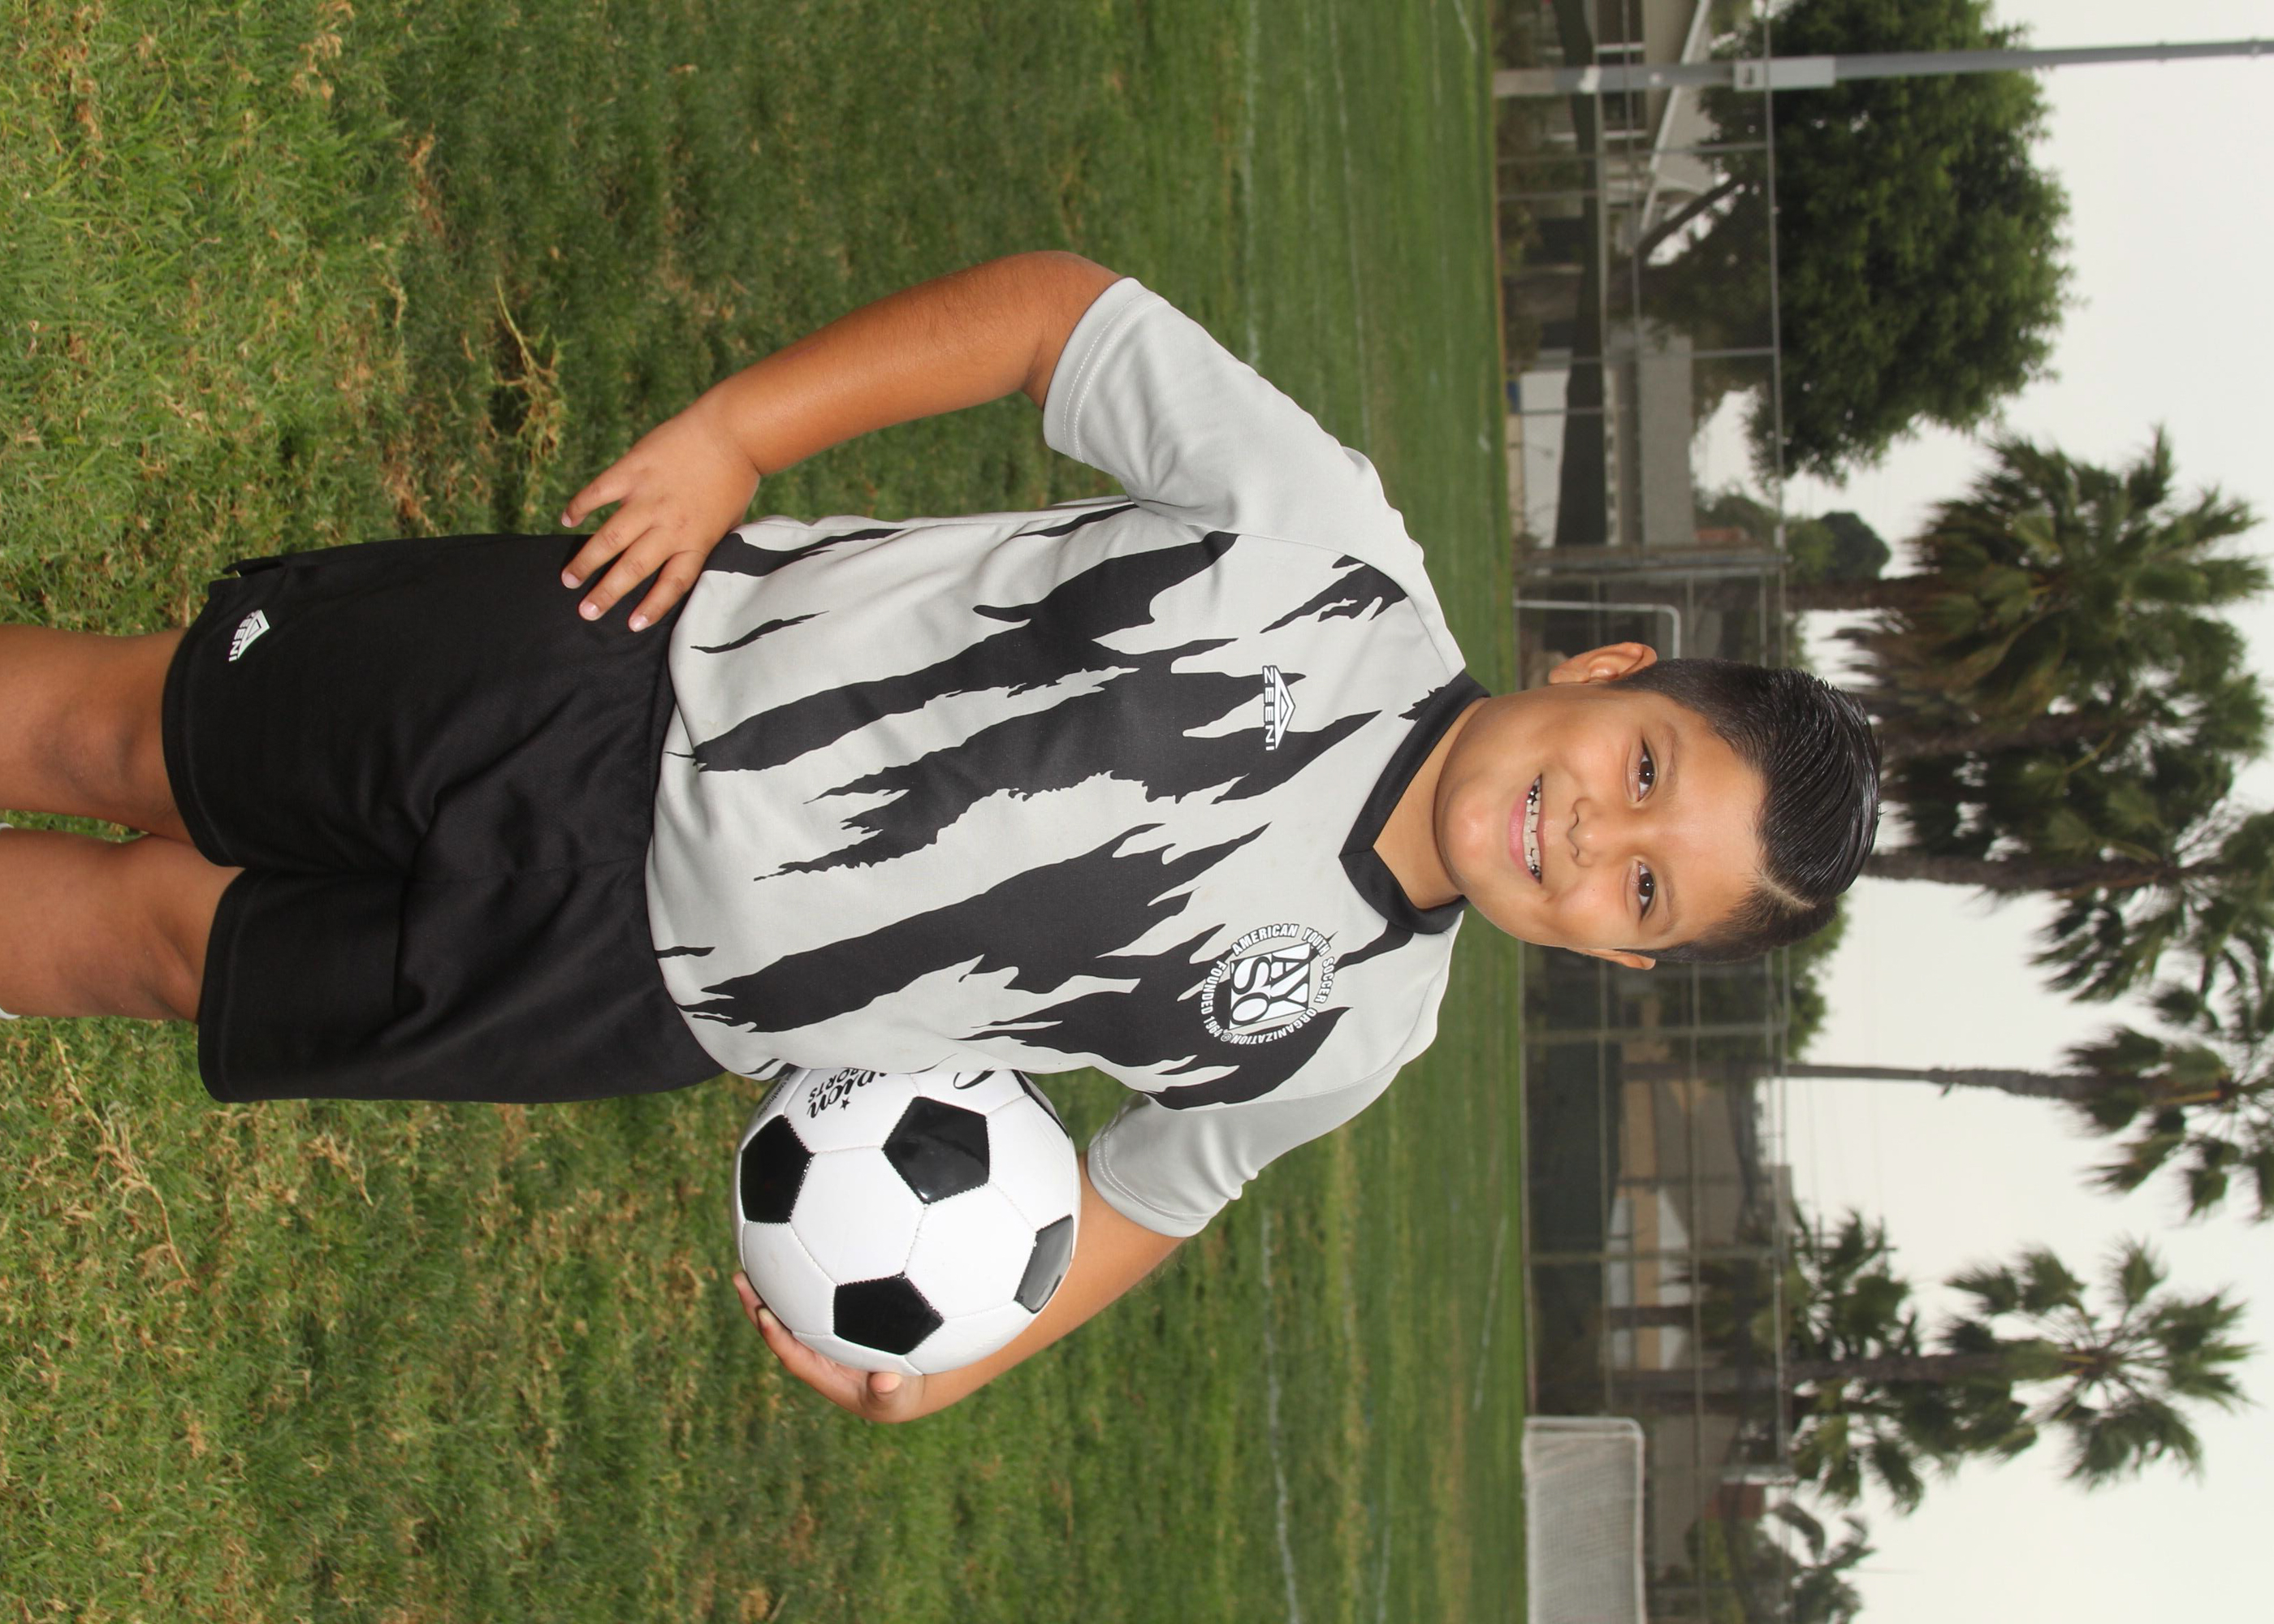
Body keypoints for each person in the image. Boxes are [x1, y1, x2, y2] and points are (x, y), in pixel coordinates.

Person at [0, 251, 1878, 1423]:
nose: (1589, 831)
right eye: (1642, 765)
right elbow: (1058, 321)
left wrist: (966, 1349)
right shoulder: (1323, 546)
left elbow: (1158, 1185)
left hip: (630, 993)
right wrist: (737, 435)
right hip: (616, 673)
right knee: (131, 738)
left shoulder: (1347, 1031)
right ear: (1605, 670)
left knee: (172, 951)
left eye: (1644, 884)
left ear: (1620, 953)